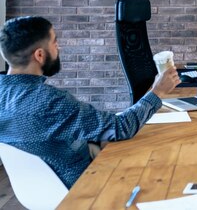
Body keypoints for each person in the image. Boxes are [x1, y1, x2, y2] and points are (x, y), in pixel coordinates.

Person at [0, 16, 180, 189]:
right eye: (55, 42)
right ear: (39, 55)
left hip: (34, 188)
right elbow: (120, 128)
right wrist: (157, 91)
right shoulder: (50, 101)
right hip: (82, 183)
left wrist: (96, 140)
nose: (58, 47)